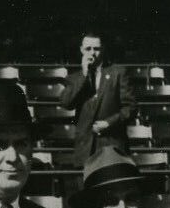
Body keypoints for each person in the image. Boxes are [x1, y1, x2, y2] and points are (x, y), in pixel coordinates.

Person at [57, 31, 136, 166]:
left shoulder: (118, 72)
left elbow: (130, 108)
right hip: (85, 149)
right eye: (88, 49)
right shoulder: (74, 77)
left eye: (96, 49)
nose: (92, 53)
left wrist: (109, 123)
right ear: (81, 50)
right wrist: (84, 74)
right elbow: (66, 103)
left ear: (103, 49)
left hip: (112, 146)